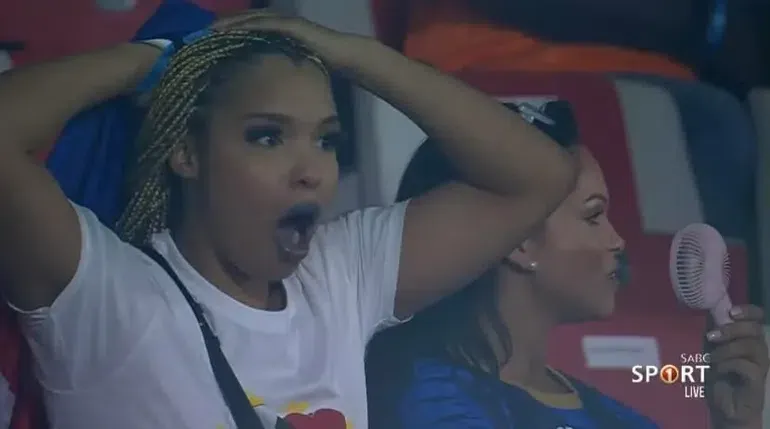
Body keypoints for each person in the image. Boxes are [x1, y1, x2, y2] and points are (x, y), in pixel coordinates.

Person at [0, 8, 577, 429]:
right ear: (188, 153)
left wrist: (355, 55)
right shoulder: (107, 293)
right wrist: (159, 56)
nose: (311, 172)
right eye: (268, 136)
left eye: (326, 140)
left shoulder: (340, 277)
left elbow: (538, 178)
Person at [366, 101, 769, 429]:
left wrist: (737, 422)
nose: (617, 240)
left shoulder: (609, 413)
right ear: (519, 240)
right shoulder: (426, 402)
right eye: (593, 217)